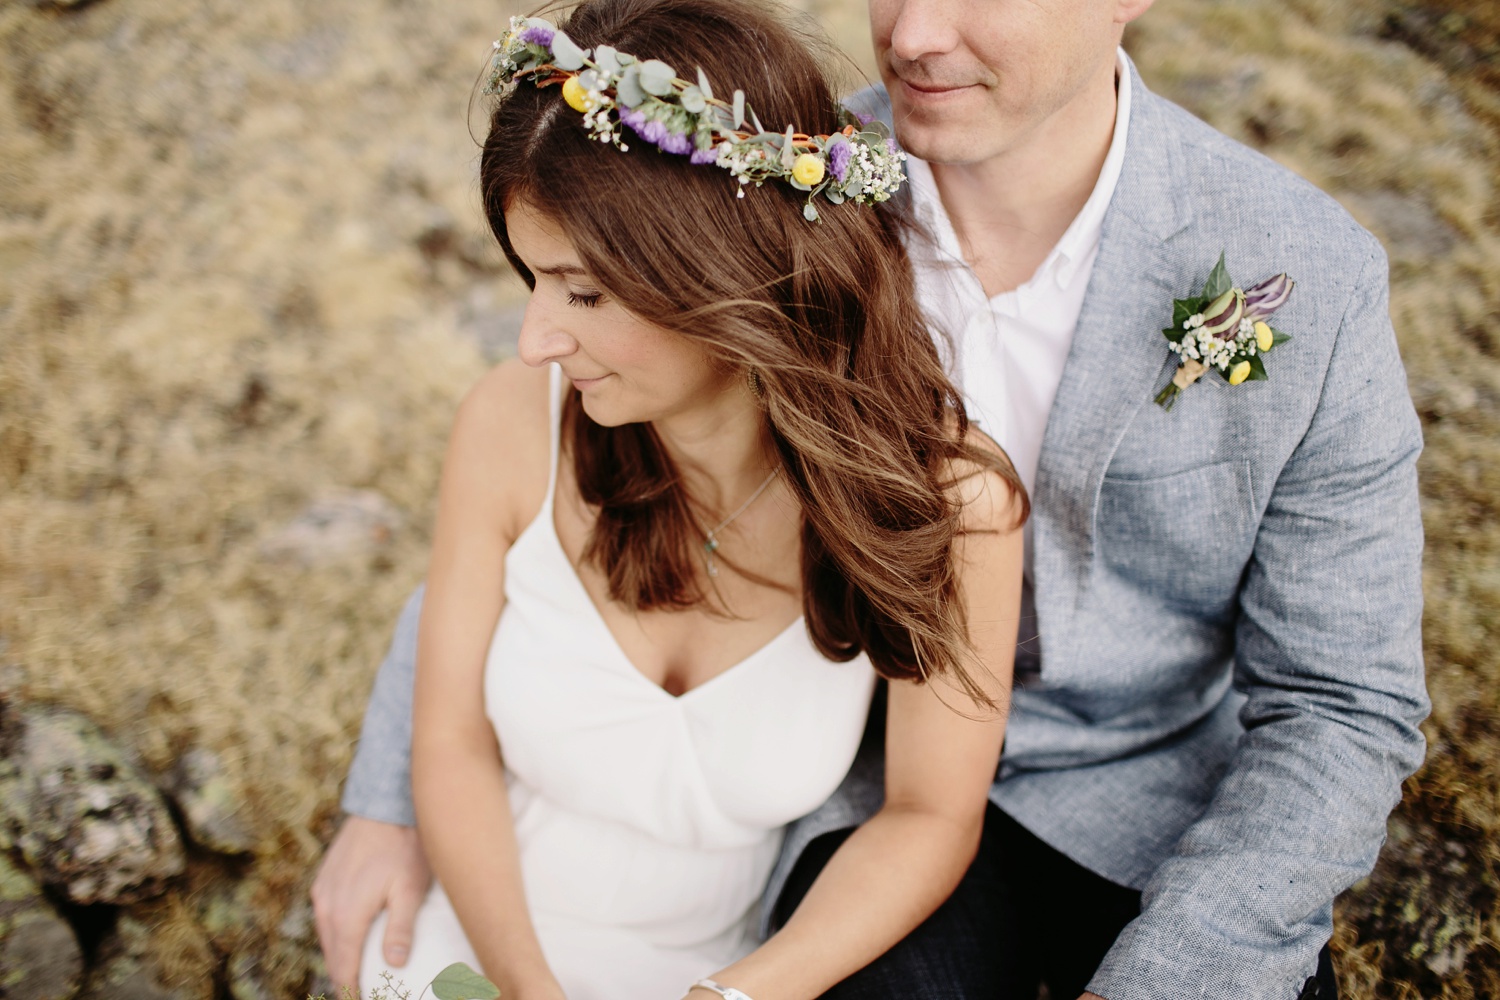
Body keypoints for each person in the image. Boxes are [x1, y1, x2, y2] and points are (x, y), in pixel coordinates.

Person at [314, 0, 1431, 994]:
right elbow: (521, 536)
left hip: (1150, 793)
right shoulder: (758, 190)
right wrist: (388, 795)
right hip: (850, 782)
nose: (912, 33)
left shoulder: (1305, 278)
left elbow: (1343, 702)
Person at [319, 0, 1029, 996]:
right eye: (532, 279)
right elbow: (448, 740)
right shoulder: (512, 423)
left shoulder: (950, 505)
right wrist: (526, 987)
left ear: (722, 277)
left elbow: (929, 816)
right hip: (477, 936)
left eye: (585, 293)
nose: (535, 340)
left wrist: (739, 994)